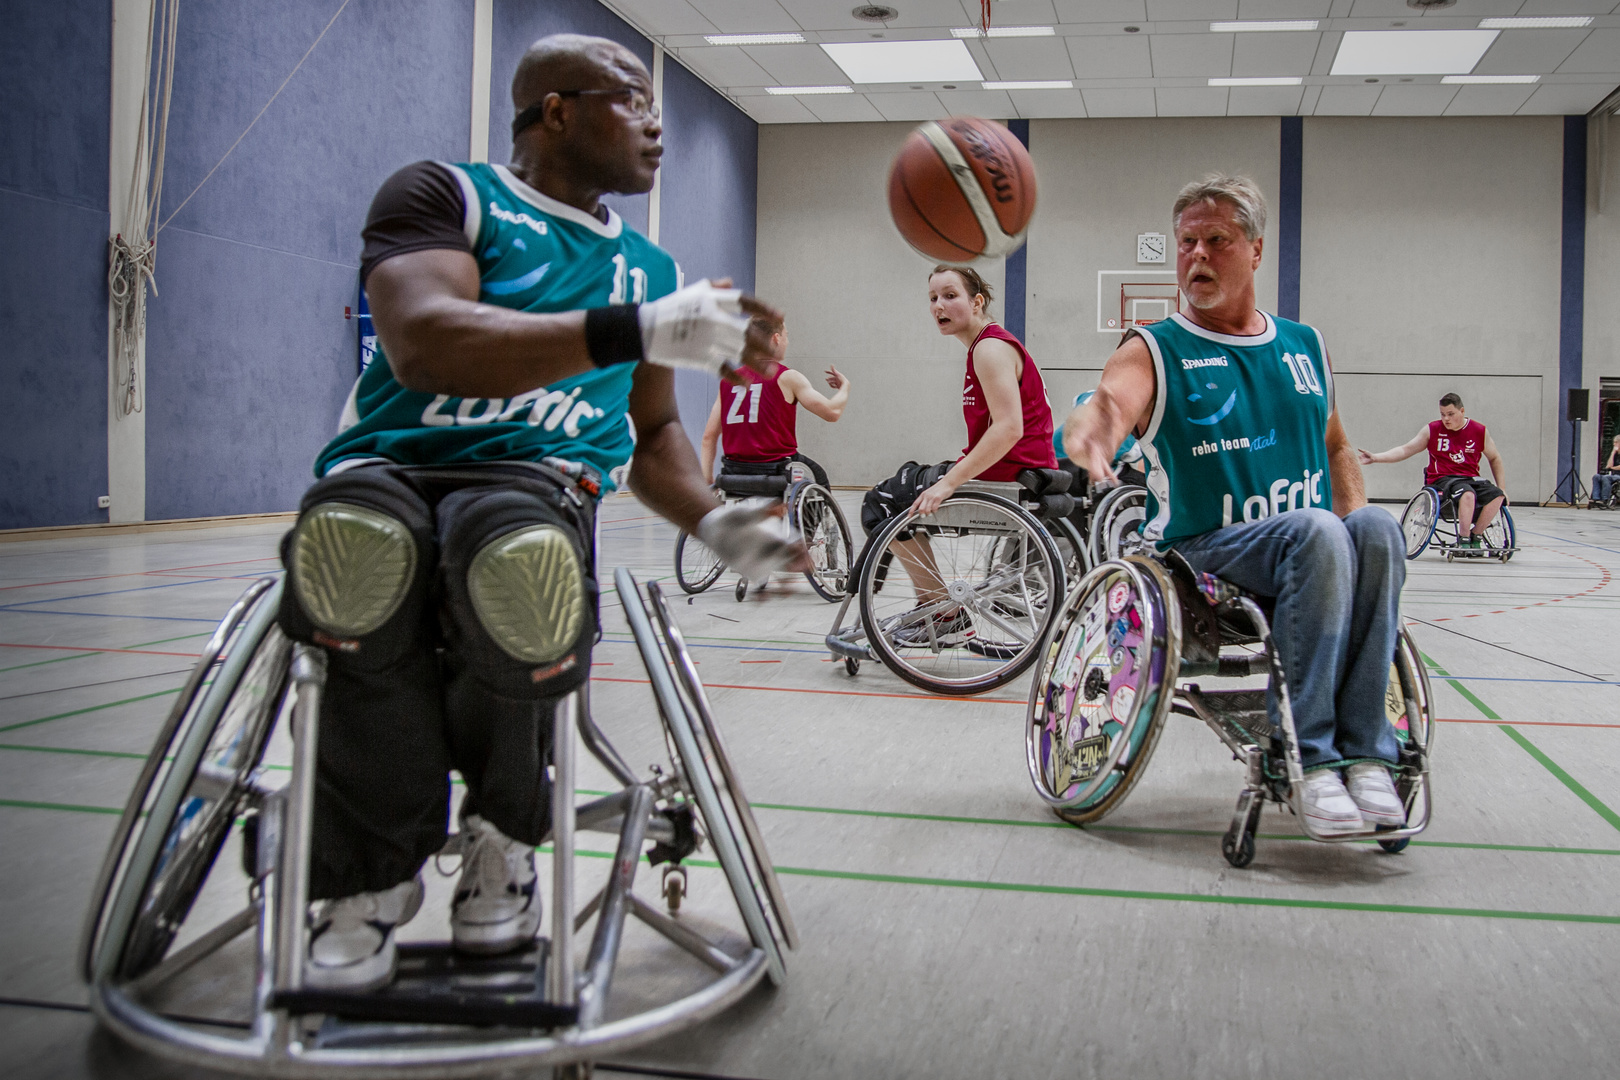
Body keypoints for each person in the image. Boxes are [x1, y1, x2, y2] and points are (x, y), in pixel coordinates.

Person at [277, 33, 804, 991]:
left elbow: (651, 438)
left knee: (515, 556)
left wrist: (724, 524)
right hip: (392, 467)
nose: (656, 125)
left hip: (535, 486)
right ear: (555, 110)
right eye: (633, 99)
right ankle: (366, 879)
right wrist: (632, 329)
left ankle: (502, 837)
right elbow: (425, 343)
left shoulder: (647, 267)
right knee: (355, 553)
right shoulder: (444, 196)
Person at [1063, 174, 1407, 837]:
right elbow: (1110, 403)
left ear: (1255, 249)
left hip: (1308, 550)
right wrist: (1090, 428)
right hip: (1204, 558)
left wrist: (1354, 522)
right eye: (1186, 241)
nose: (1196, 255)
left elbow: (1337, 446)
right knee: (1317, 531)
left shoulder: (1305, 347)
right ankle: (1310, 758)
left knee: (1375, 531)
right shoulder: (1155, 348)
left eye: (1215, 240)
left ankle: (1366, 755)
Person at [860, 265, 1057, 645]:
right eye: (933, 298)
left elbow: (1009, 428)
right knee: (907, 478)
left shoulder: (989, 348)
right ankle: (936, 608)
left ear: (977, 301)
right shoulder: (986, 347)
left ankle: (943, 614)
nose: (939, 306)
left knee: (882, 501)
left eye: (950, 296)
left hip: (1010, 476)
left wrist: (949, 482)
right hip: (1017, 470)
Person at [698, 316, 850, 489]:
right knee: (818, 475)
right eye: (786, 335)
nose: (787, 341)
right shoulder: (786, 376)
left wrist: (707, 479)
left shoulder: (728, 381)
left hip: (734, 470)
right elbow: (833, 413)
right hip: (777, 468)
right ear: (776, 338)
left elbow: (709, 437)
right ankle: (816, 516)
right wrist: (845, 387)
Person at [1358, 393, 1508, 552]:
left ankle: (1475, 535)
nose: (1446, 419)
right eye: (1443, 414)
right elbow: (1406, 449)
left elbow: (1495, 458)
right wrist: (1376, 458)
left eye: (1451, 414)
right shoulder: (1433, 430)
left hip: (1470, 478)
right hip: (1443, 480)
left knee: (1498, 495)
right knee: (1468, 493)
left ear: (1462, 411)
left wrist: (1502, 487)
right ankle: (1463, 540)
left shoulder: (1479, 431)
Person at [1592, 433, 1620, 508]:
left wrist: (1613, 468)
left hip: (1618, 476)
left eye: (1616, 442)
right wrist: (1613, 452)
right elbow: (1608, 466)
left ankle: (1605, 499)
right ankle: (1595, 498)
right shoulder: (1615, 454)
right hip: (1613, 475)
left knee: (1606, 477)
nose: (1614, 444)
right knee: (1596, 476)